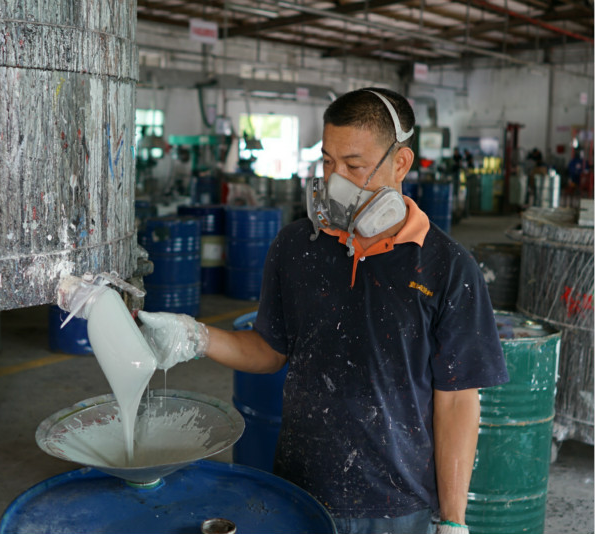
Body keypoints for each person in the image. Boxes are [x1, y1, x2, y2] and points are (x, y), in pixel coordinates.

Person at [139, 88, 509, 534]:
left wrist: (452, 519)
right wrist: (196, 336)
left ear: (401, 163)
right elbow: (270, 350)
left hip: (397, 506)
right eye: (328, 162)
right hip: (300, 487)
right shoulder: (297, 246)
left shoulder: (447, 266)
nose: (335, 181)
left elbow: (458, 400)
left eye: (354, 165)